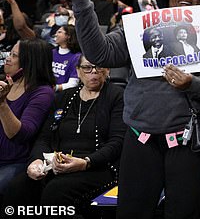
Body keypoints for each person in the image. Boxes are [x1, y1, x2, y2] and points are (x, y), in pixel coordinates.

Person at [62, 0, 200, 219]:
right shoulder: (139, 28)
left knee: (181, 214)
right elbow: (100, 54)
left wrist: (193, 84)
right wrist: (82, 3)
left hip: (188, 143)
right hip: (139, 140)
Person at [3, 56, 124, 212]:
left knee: (55, 191)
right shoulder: (64, 97)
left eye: (99, 68)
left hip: (96, 166)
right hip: (57, 164)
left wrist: (85, 162)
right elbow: (44, 138)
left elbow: (117, 142)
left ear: (107, 71)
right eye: (87, 68)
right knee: (17, 187)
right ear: (78, 72)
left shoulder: (116, 96)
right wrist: (36, 161)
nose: (93, 72)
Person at [0, 39, 55, 195]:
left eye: (14, 55)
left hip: (15, 162)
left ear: (29, 61)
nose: (8, 58)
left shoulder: (42, 93)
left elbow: (20, 135)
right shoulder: (6, 83)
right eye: (9, 53)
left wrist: (2, 105)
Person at [52, 25, 82, 92]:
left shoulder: (77, 57)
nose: (55, 35)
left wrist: (54, 88)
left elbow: (73, 84)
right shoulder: (52, 52)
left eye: (59, 32)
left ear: (68, 36)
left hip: (65, 94)